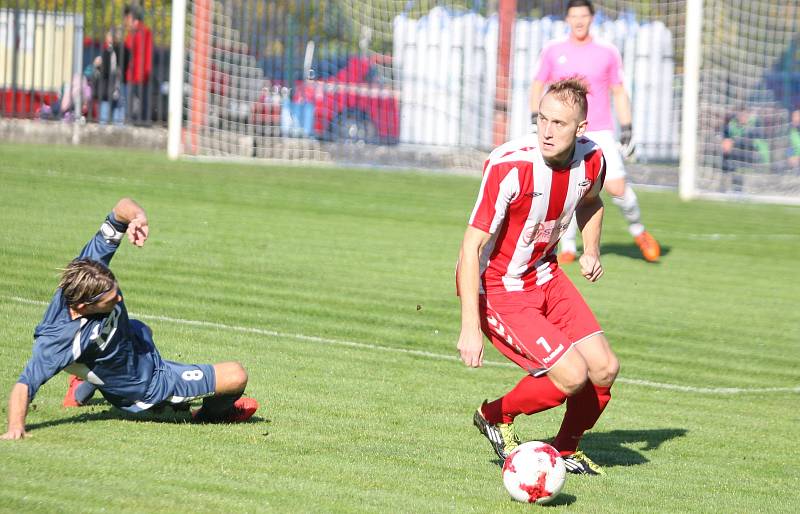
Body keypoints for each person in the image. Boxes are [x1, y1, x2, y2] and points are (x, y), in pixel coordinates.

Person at [457, 77, 618, 475]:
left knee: (604, 368)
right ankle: (494, 415)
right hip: (499, 288)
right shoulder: (509, 165)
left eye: (559, 123)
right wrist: (469, 326)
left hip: (546, 276)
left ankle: (564, 451)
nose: (546, 130)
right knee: (571, 374)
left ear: (580, 129)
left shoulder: (593, 159)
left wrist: (591, 249)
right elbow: (470, 247)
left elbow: (593, 201)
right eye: (541, 119)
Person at [1, 198, 259, 440]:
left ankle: (81, 385)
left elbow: (119, 209)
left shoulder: (90, 267)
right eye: (111, 300)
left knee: (140, 328)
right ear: (82, 306)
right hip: (149, 385)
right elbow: (25, 384)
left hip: (133, 345)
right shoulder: (59, 340)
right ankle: (209, 416)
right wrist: (15, 428)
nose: (120, 300)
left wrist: (138, 217)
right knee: (236, 375)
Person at [529, 0, 660, 263]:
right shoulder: (553, 50)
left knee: (616, 187)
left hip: (599, 130)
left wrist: (627, 128)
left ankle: (639, 231)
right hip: (564, 130)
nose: (579, 20)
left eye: (584, 15)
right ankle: (566, 246)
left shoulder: (607, 52)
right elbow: (538, 85)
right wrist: (537, 119)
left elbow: (619, 90)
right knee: (563, 184)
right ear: (566, 19)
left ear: (592, 18)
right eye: (574, 15)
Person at [123, 4, 153, 124]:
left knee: (136, 103)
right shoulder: (134, 32)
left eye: (127, 18)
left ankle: (138, 122)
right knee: (138, 103)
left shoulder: (141, 32)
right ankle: (140, 121)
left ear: (131, 17)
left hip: (138, 74)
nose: (125, 21)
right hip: (136, 73)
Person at [93, 29, 129, 125]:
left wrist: (99, 65)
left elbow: (105, 71)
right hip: (118, 85)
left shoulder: (110, 51)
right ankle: (118, 132)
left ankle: (105, 128)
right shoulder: (124, 50)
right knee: (118, 113)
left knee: (106, 113)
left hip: (110, 86)